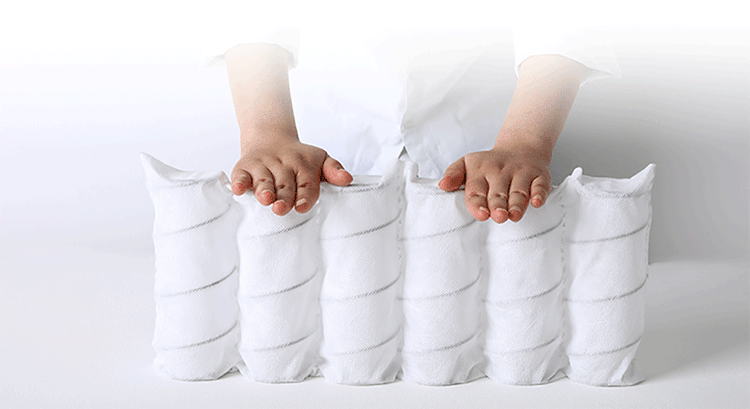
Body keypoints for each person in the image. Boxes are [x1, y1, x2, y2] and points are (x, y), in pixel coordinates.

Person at [208, 21, 619, 224]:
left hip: (497, 140)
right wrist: (267, 133)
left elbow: (562, 19)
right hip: (318, 141)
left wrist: (525, 141)